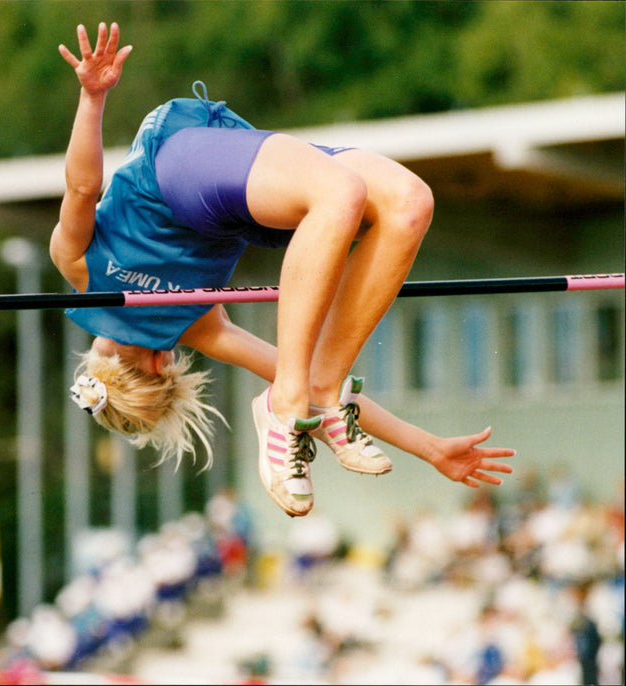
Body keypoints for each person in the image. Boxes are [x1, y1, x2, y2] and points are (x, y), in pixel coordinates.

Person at [52, 22, 515, 517]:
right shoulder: (180, 318)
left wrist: (93, 98)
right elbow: (80, 191)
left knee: (361, 196)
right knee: (405, 206)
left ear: (159, 368)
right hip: (237, 196)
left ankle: (293, 400)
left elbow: (84, 189)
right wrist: (428, 446)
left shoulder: (96, 282)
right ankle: (296, 400)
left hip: (184, 167)